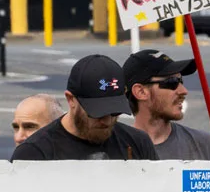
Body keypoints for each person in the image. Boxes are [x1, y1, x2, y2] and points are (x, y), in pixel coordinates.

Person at [12, 55, 156, 161]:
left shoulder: (137, 142)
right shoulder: (35, 153)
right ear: (71, 100)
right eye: (97, 113)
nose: (107, 120)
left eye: (114, 111)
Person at [122, 49, 210, 159]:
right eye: (171, 82)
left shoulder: (204, 145)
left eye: (180, 81)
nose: (183, 91)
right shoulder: (116, 152)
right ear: (141, 92)